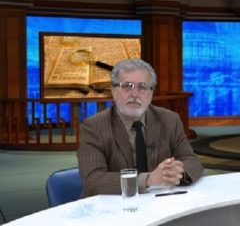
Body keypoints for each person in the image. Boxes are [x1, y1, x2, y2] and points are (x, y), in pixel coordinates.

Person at [77, 58, 203, 197]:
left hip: (159, 202)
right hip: (112, 204)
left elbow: (192, 161)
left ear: (151, 93)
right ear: (113, 91)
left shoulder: (170, 120)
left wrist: (177, 172)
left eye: (142, 87)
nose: (135, 94)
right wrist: (147, 180)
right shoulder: (94, 126)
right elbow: (93, 180)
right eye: (127, 86)